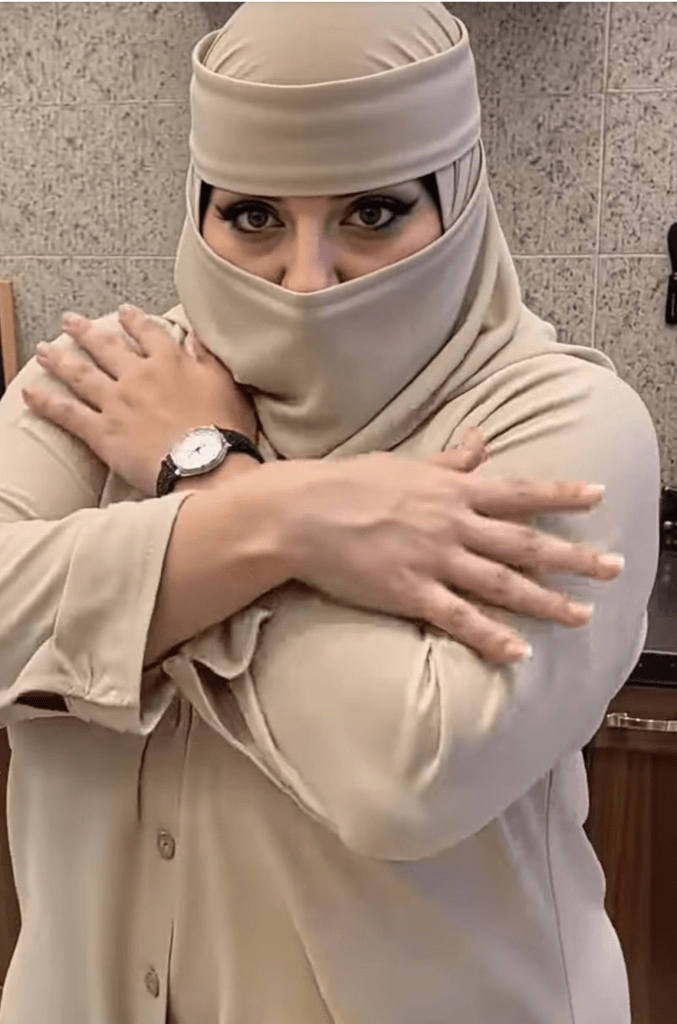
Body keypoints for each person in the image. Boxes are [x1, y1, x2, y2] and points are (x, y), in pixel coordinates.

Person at [0, 4, 659, 1023]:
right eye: (254, 217)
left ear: (458, 199)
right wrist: (300, 522)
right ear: (199, 208)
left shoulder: (562, 426)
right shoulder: (105, 384)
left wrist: (213, 486)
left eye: (374, 212)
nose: (306, 281)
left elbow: (408, 774)